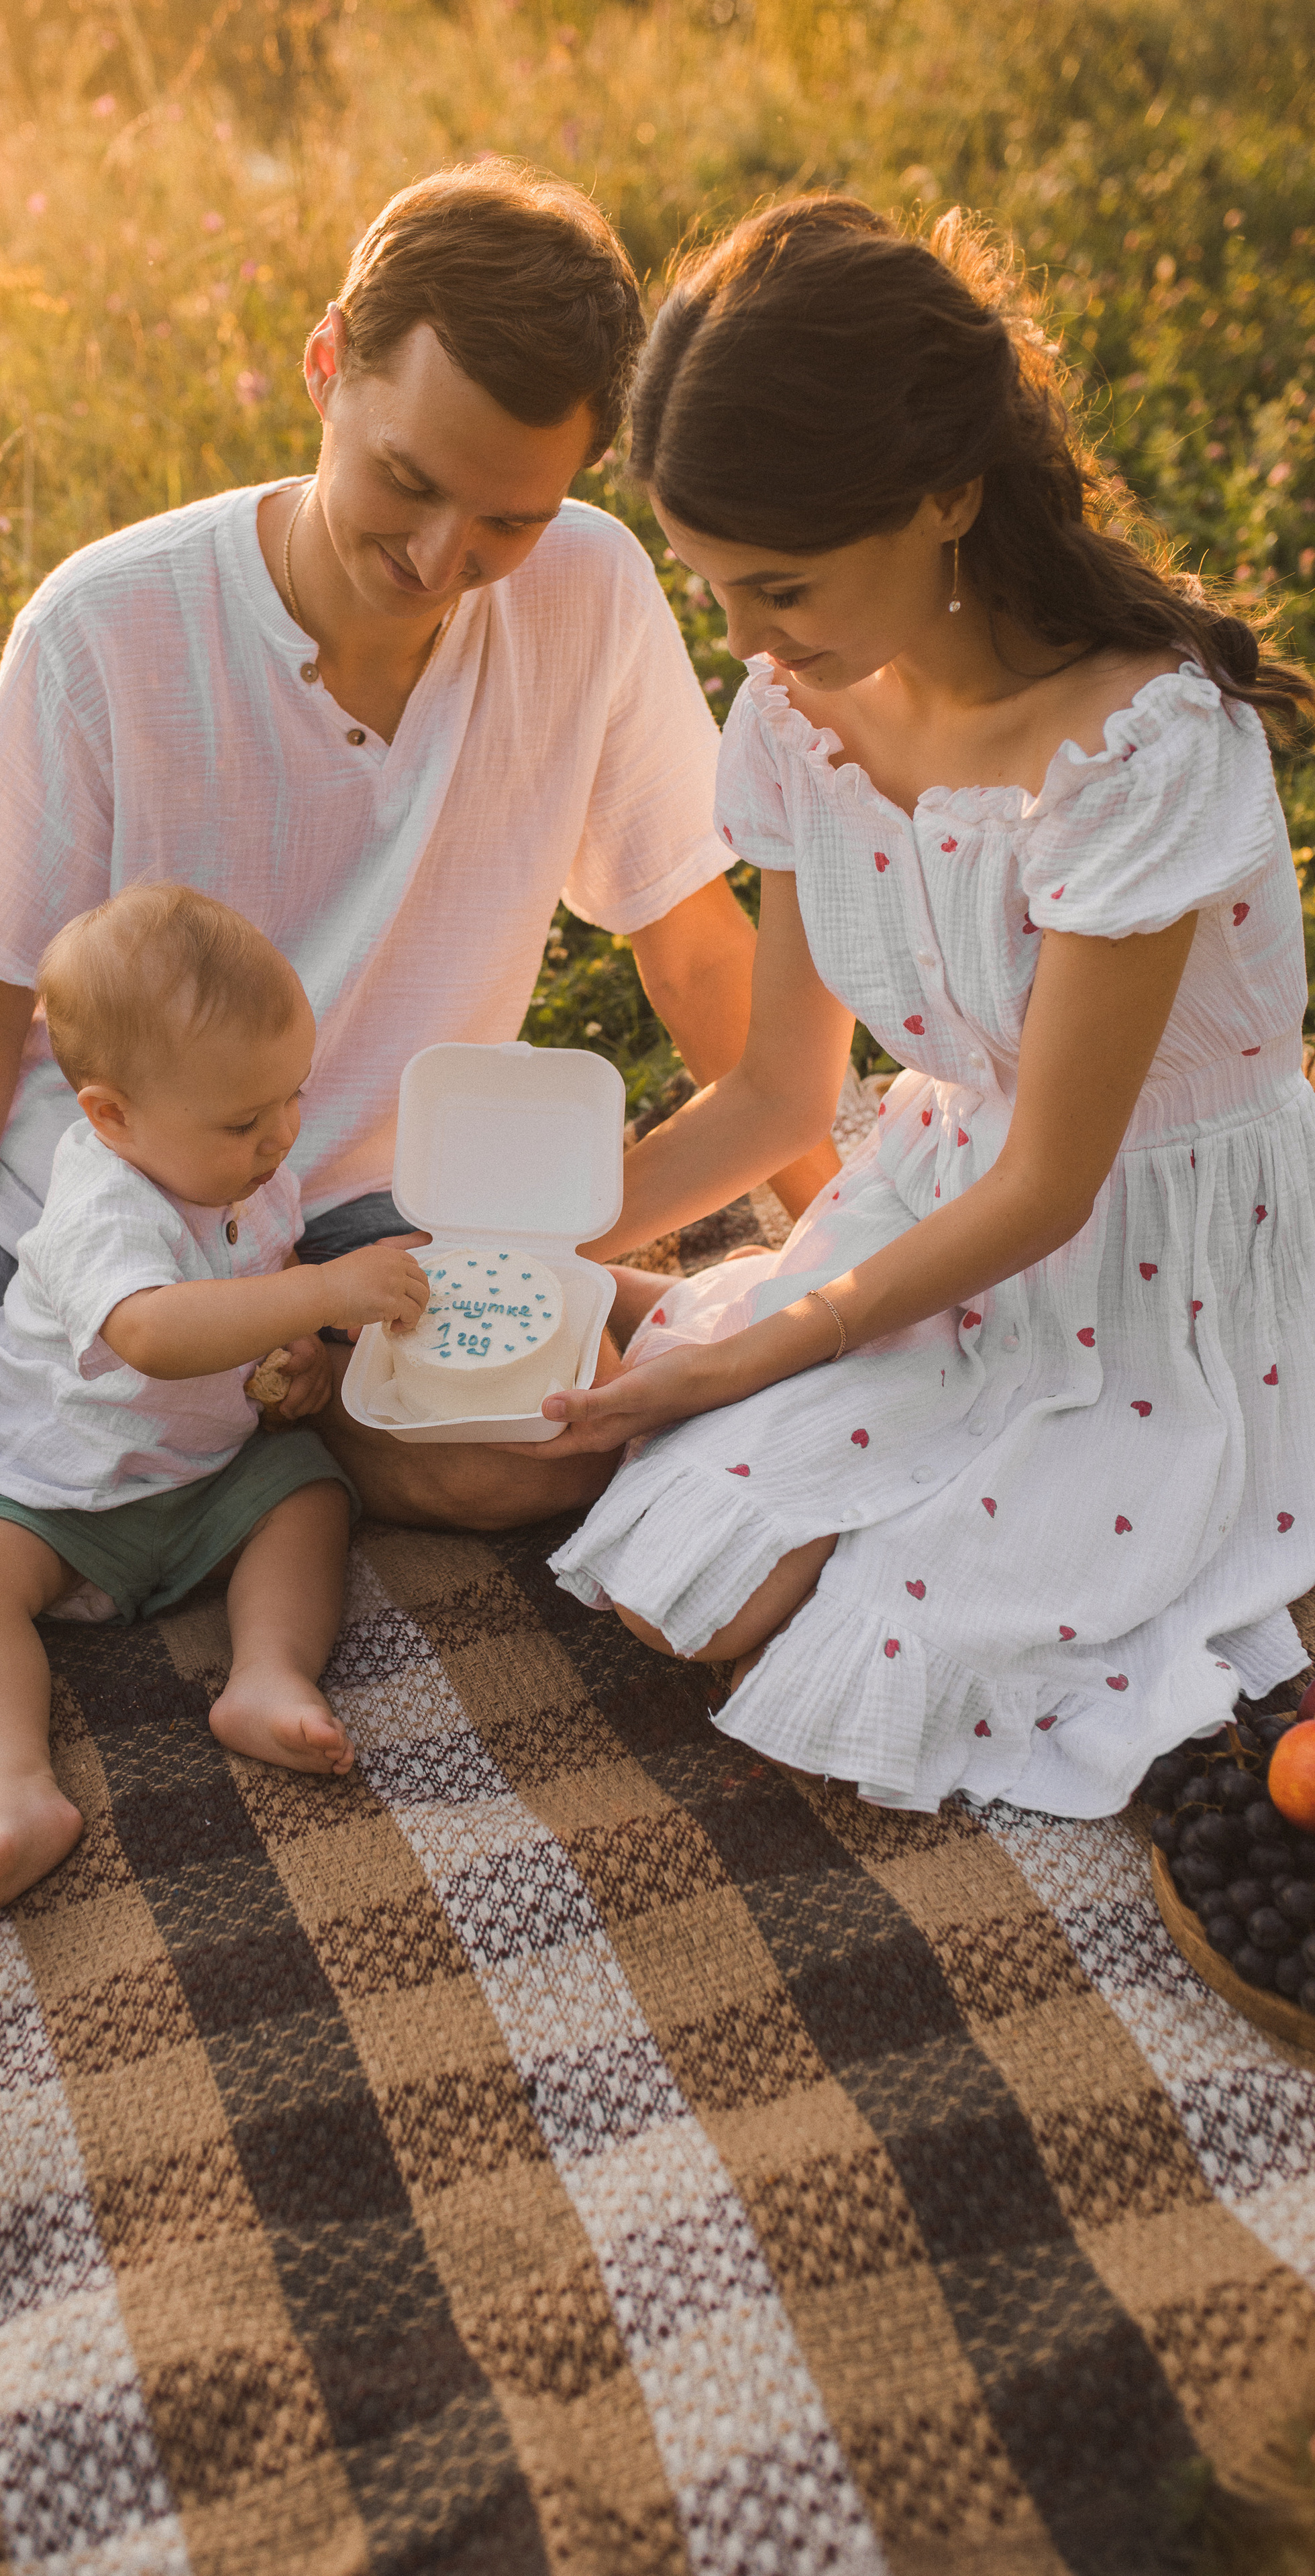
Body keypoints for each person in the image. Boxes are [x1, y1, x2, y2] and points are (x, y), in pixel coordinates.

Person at [0, 160, 836, 1659]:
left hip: (361, 1201)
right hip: (80, 1175)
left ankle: (234, 1380)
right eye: (408, 483)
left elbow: (687, 945)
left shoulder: (590, 598)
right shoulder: (110, 625)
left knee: (506, 1463)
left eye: (506, 521)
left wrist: (835, 1236)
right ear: (326, 360)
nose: (439, 564)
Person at [535, 196, 1315, 1818]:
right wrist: (545, 1244)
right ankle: (780, 1391)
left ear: (947, 496)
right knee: (677, 1588)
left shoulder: (1137, 757)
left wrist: (760, 1352)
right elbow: (773, 1097)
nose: (743, 643)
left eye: (780, 588)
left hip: (1156, 1265)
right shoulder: (799, 712)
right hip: (944, 1210)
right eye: (712, 592)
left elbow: (1054, 1185)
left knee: (889, 1639)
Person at [0, 884, 429, 1920]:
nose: (283, 1133)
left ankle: (269, 1675)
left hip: (203, 1474)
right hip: (54, 1489)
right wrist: (328, 1293)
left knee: (310, 1497)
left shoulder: (243, 1166)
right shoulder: (99, 1202)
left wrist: (297, 1352)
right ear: (111, 1115)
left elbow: (246, 1290)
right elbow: (151, 1332)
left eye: (293, 1095)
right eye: (246, 1118)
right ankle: (12, 1788)